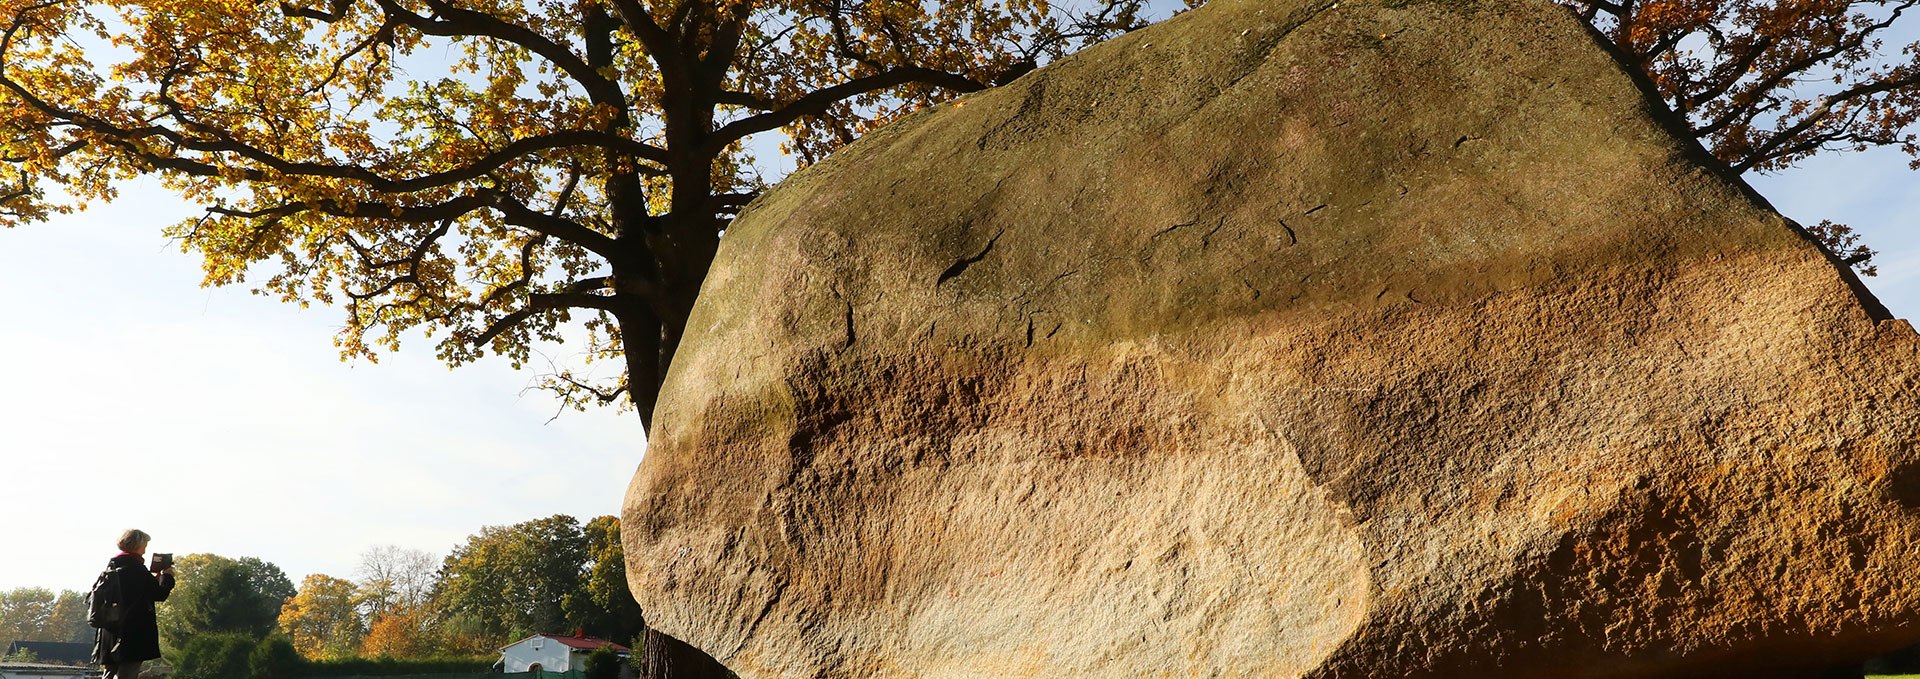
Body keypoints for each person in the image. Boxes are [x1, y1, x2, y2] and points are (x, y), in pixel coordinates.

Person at [93, 529, 175, 679]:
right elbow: (160, 594)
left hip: (110, 631)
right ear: (138, 545)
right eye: (144, 545)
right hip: (133, 631)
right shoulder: (137, 569)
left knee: (109, 672)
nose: (145, 550)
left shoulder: (111, 567)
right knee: (128, 673)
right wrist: (168, 577)